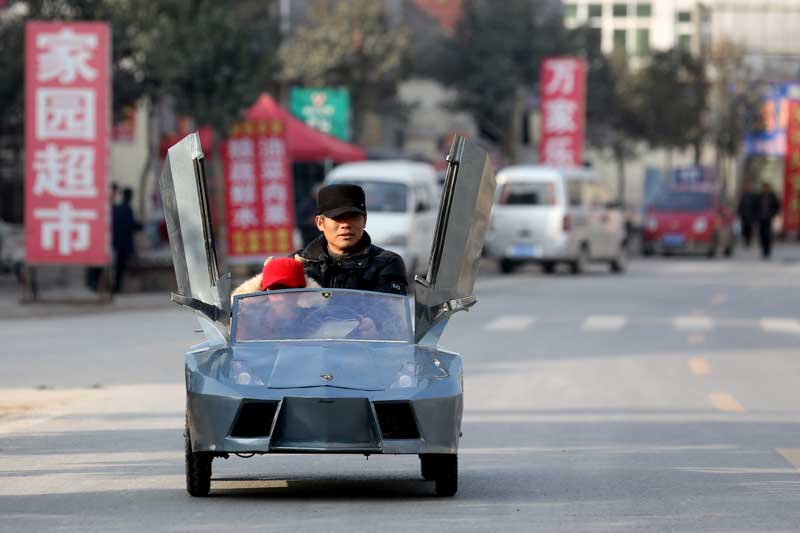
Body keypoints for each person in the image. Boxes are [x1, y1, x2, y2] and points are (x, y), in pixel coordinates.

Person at [232, 183, 407, 296]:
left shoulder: (386, 263)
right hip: (307, 350)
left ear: (365, 220)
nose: (346, 225)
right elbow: (279, 315)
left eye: (353, 217)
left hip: (367, 350)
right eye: (338, 218)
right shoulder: (299, 264)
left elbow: (390, 316)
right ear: (320, 223)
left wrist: (371, 325)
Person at [112, 187, 142, 292]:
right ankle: (117, 287)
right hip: (124, 243)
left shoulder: (116, 208)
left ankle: (115, 286)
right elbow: (130, 225)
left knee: (117, 266)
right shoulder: (127, 209)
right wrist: (141, 226)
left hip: (115, 242)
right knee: (120, 267)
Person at [755, 181, 780, 259]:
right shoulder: (759, 196)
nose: (766, 189)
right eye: (764, 187)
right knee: (762, 234)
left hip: (769, 218)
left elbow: (777, 206)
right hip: (761, 218)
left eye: (767, 187)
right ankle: (763, 250)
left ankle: (768, 250)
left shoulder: (772, 196)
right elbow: (755, 207)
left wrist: (774, 214)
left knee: (768, 235)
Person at [737, 181, 756, 247]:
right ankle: (745, 240)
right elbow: (740, 205)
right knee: (744, 228)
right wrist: (739, 212)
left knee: (749, 229)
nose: (748, 189)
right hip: (744, 215)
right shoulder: (744, 196)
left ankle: (748, 241)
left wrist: (755, 215)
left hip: (751, 216)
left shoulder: (753, 197)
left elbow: (756, 206)